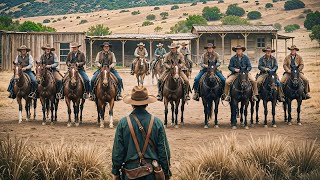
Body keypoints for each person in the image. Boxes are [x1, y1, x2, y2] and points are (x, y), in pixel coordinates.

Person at [112, 86, 171, 180]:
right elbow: (164, 152)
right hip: (151, 173)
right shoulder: (157, 122)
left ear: (132, 104)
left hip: (129, 173)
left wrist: (115, 172)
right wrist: (166, 172)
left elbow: (117, 153)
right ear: (147, 103)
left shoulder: (123, 123)